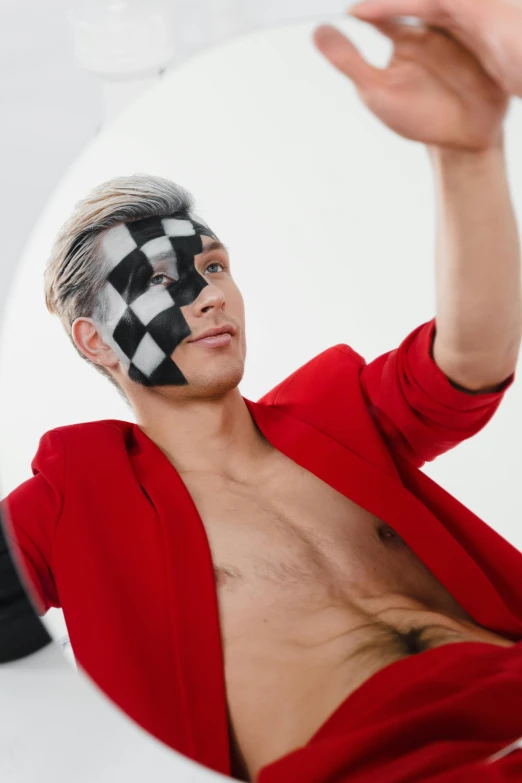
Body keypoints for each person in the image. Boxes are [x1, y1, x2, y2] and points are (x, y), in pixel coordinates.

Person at [2, 10, 522, 783]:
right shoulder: (72, 496)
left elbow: (470, 357)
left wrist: (467, 153)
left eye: (212, 267)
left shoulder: (336, 412)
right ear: (94, 340)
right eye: (159, 281)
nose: (209, 297)